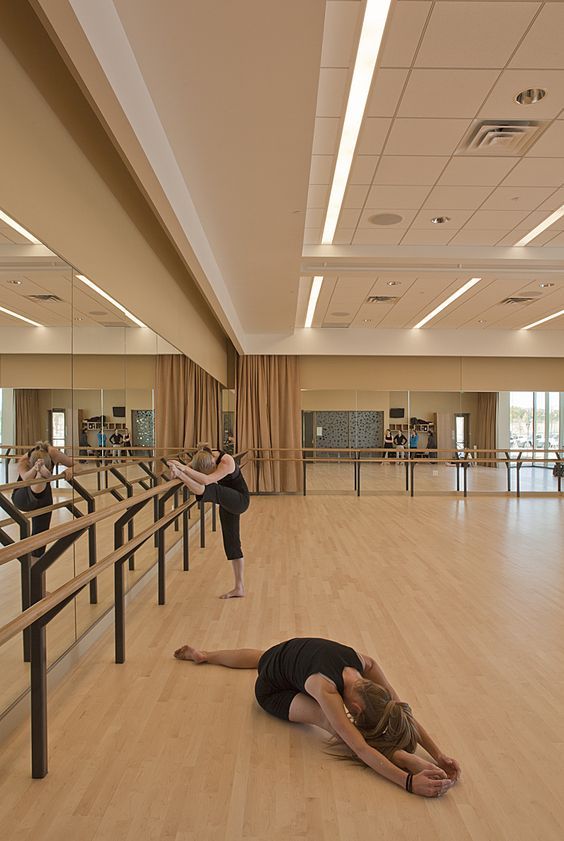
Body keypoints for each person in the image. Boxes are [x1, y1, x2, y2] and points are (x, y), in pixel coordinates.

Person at [173, 636, 460, 798]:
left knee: (261, 658)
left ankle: (205, 655)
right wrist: (408, 782)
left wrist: (438, 753)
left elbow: (401, 708)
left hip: (282, 652)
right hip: (273, 693)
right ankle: (399, 755)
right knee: (329, 722)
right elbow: (359, 747)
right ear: (357, 709)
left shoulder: (366, 663)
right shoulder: (325, 688)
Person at [169, 444, 250, 598]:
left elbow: (206, 480)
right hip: (227, 501)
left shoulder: (226, 462)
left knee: (210, 489)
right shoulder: (202, 457)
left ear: (213, 463)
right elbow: (177, 466)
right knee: (231, 543)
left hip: (240, 500)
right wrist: (175, 469)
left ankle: (182, 476)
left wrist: (182, 471)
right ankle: (239, 588)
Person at [12, 441, 76, 557]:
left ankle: (36, 564)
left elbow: (76, 465)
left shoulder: (54, 454)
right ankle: (41, 475)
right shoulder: (24, 461)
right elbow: (26, 478)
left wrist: (70, 470)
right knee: (37, 481)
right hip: (23, 495)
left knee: (41, 535)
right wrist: (36, 470)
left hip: (44, 496)